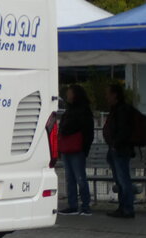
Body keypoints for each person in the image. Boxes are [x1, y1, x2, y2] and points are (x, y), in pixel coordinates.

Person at [57, 84, 94, 215]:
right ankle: (73, 205)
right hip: (69, 148)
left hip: (77, 148)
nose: (68, 95)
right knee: (70, 178)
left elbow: (88, 131)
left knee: (79, 177)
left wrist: (85, 148)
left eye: (70, 93)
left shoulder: (82, 110)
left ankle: (85, 206)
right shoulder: (70, 110)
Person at [102, 83, 137, 219]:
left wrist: (116, 144)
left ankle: (127, 208)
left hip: (120, 149)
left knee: (123, 179)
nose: (106, 97)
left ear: (114, 95)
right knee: (120, 179)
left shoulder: (121, 110)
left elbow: (123, 130)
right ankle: (123, 207)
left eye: (108, 93)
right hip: (117, 148)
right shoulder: (117, 109)